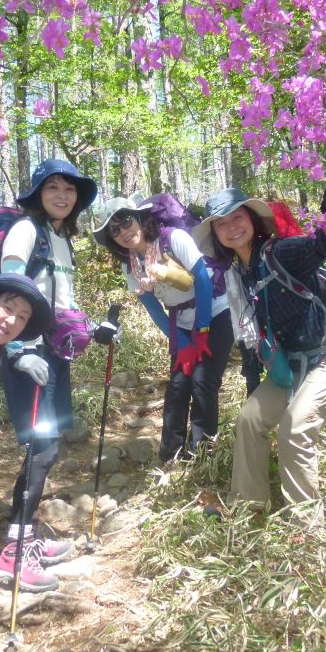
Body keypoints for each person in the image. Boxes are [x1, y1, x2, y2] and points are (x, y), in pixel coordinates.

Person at [192, 183, 326, 524]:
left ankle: (307, 526)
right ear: (215, 234)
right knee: (249, 419)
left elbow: (321, 246)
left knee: (295, 428)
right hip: (292, 365)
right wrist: (253, 376)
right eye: (221, 224)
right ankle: (247, 507)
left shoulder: (281, 252)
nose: (231, 228)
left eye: (237, 217)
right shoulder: (238, 273)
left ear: (253, 219)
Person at [0, 158, 104, 593]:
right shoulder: (26, 230)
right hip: (31, 354)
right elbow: (7, 287)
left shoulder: (60, 238)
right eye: (53, 187)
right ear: (37, 193)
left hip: (55, 354)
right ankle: (14, 555)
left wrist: (91, 326)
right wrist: (16, 349)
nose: (62, 195)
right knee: (41, 449)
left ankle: (27, 537)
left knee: (48, 446)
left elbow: (59, 302)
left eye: (70, 189)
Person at [92, 196, 234, 462]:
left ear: (139, 218)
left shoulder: (174, 238)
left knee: (203, 382)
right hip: (181, 323)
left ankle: (203, 455)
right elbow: (153, 307)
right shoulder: (130, 265)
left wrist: (201, 331)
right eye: (114, 229)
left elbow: (202, 279)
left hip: (215, 314)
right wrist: (181, 342)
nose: (124, 231)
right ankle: (172, 455)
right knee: (179, 385)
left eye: (125, 220)